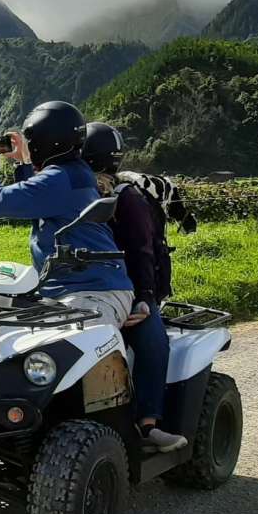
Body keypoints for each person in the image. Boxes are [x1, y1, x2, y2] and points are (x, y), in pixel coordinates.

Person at [0, 101, 133, 328]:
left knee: (68, 347)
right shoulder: (73, 171)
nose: (30, 145)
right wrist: (25, 162)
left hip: (94, 293)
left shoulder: (60, 178)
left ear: (44, 141)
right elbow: (36, 198)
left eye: (31, 140)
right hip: (71, 289)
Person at [82, 122, 187, 452]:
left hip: (128, 291)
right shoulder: (72, 194)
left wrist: (143, 299)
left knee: (153, 342)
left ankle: (148, 425)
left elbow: (142, 252)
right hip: (82, 288)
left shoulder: (126, 200)